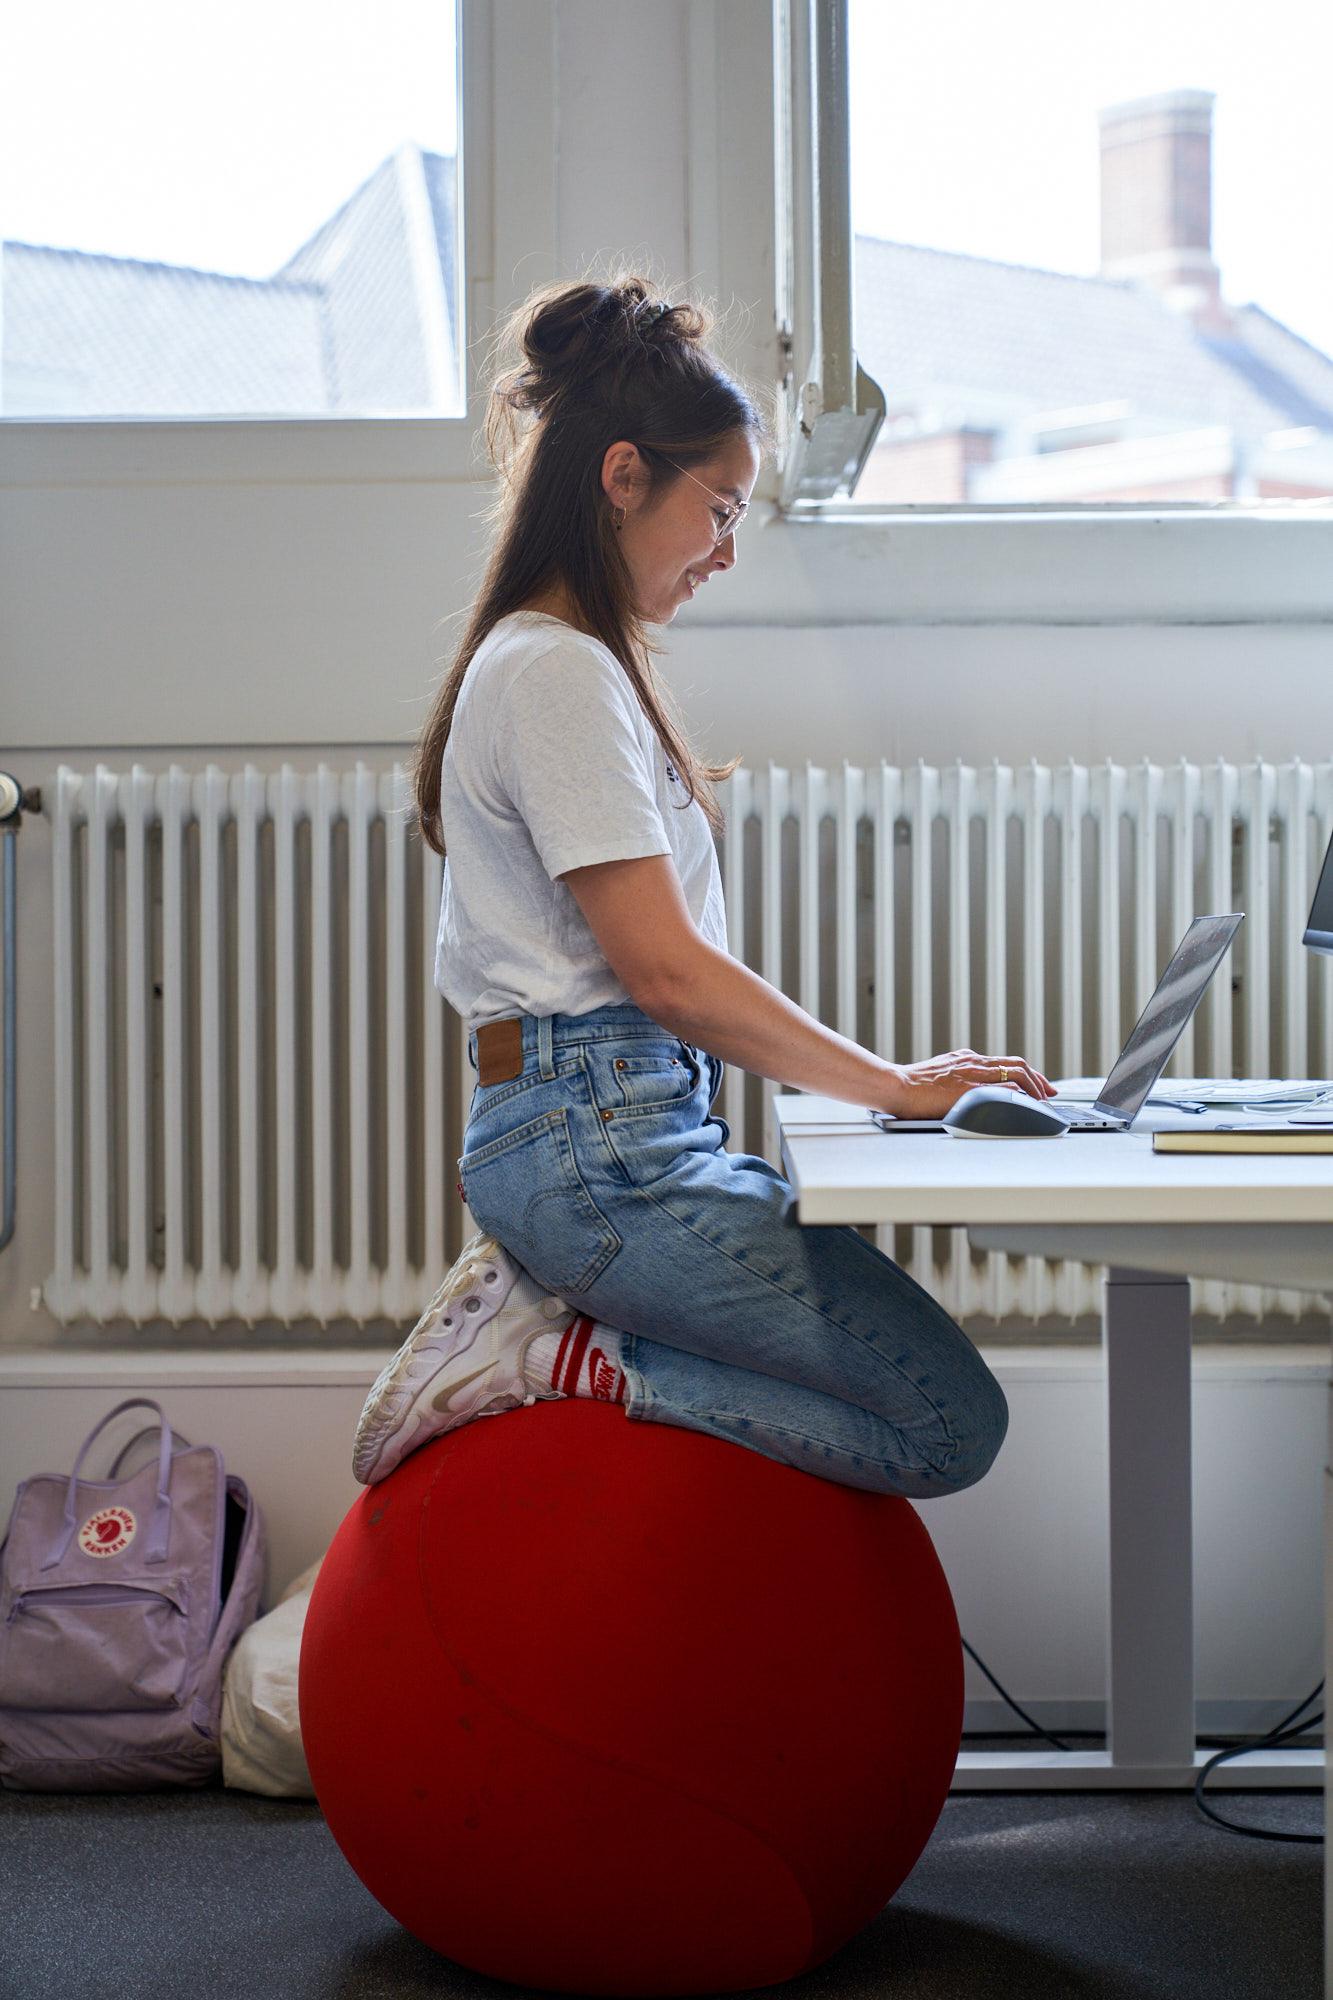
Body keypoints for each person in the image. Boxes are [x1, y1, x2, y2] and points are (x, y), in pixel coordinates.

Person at [352, 273, 1054, 1497]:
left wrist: (885, 1088)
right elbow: (667, 973)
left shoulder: (563, 665)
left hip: (618, 1125)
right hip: (595, 1146)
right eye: (719, 508)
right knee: (948, 1421)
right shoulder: (554, 673)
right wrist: (893, 1083)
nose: (726, 551)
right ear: (623, 476)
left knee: (941, 1410)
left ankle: (580, 1351)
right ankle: (556, 1360)